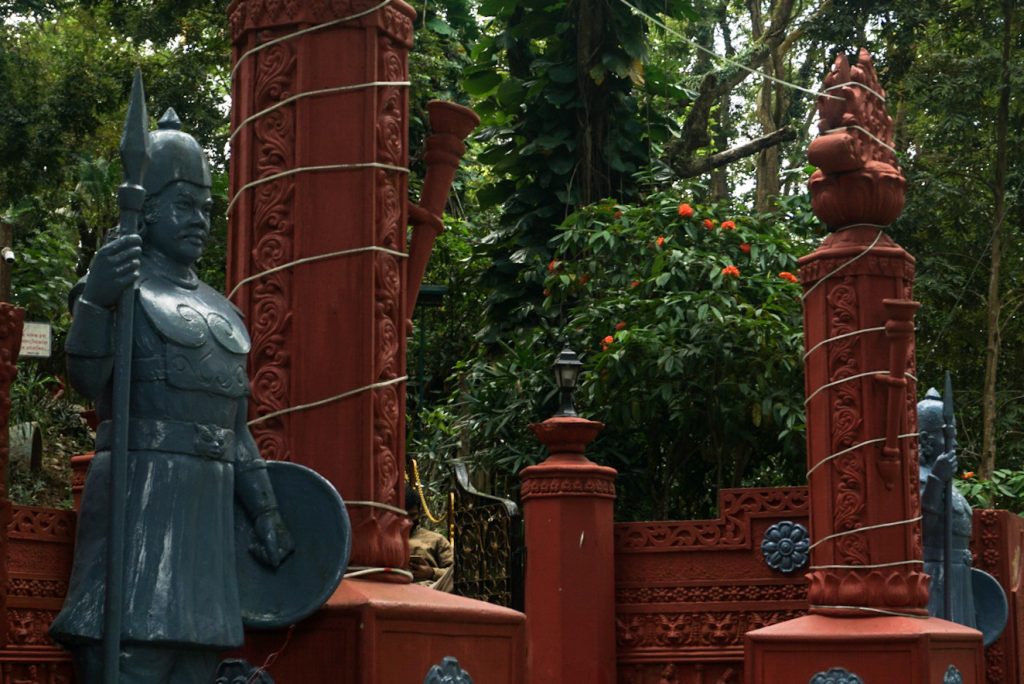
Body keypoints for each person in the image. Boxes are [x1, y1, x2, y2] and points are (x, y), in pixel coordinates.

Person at [50, 109, 293, 683]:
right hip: (140, 496)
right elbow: (88, 378)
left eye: (206, 209)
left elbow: (235, 432)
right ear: (149, 209)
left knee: (195, 660)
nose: (199, 221)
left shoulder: (222, 310)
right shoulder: (118, 285)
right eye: (184, 207)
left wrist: (267, 512)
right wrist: (94, 302)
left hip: (205, 517)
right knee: (131, 656)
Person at [918, 387, 975, 627]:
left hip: (958, 574)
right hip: (935, 574)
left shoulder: (951, 484)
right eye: (947, 437)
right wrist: (936, 481)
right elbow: (920, 529)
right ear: (925, 440)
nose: (954, 444)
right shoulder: (917, 479)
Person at [406, 484, 454, 592]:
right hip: (393, 590)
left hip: (430, 590)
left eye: (412, 515)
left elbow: (454, 573)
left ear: (419, 512)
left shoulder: (436, 539)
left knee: (457, 570)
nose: (408, 521)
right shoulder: (382, 540)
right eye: (404, 516)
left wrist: (431, 572)